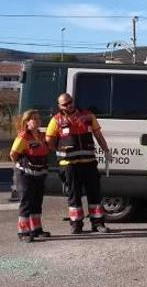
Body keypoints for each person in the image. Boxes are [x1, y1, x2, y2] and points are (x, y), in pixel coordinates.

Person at [45, 93, 111, 234]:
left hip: (89, 162)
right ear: (60, 106)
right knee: (74, 195)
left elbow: (98, 135)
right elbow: (49, 140)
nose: (68, 105)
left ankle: (98, 223)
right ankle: (76, 224)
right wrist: (58, 149)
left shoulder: (88, 116)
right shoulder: (56, 120)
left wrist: (106, 150)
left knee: (94, 194)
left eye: (70, 102)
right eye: (65, 104)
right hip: (69, 164)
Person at [9, 110, 51, 242]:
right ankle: (23, 232)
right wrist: (21, 165)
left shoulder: (41, 136)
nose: (37, 121)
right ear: (27, 122)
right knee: (26, 202)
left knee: (37, 202)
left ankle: (36, 229)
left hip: (39, 174)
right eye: (34, 119)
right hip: (25, 175)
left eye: (38, 118)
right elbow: (13, 154)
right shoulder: (23, 137)